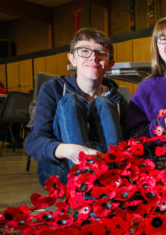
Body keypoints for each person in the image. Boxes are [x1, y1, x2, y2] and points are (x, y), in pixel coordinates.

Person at [25, 28, 128, 186]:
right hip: (63, 167)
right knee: (70, 102)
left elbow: (129, 139)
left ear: (110, 64)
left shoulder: (116, 99)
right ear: (72, 59)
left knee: (104, 103)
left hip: (105, 165)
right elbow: (34, 141)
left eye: (101, 52)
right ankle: (84, 186)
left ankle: (113, 182)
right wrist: (68, 150)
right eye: (84, 51)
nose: (93, 57)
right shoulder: (53, 89)